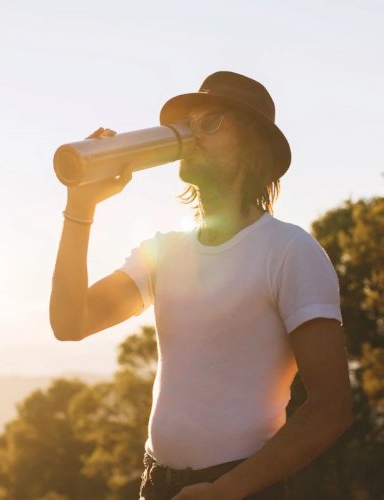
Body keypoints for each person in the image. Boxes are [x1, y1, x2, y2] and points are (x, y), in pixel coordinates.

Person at [49, 71, 352, 499]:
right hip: (156, 486)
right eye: (187, 124)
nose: (189, 134)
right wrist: (79, 205)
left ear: (254, 148)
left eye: (209, 123)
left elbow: (330, 409)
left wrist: (226, 490)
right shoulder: (163, 253)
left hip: (244, 489)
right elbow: (70, 322)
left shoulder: (290, 252)